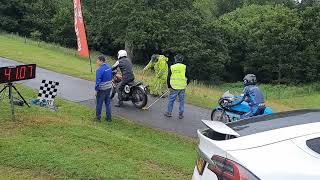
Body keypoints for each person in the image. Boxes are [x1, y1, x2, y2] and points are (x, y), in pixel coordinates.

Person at [164, 54, 190, 119]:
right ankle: (181, 114)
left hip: (173, 87)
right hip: (182, 87)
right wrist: (185, 84)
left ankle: (169, 113)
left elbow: (168, 77)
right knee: (181, 101)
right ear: (182, 60)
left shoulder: (172, 67)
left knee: (171, 100)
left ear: (175, 59)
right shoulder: (185, 67)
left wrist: (169, 86)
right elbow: (188, 77)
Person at [95, 55, 113, 122]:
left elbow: (98, 82)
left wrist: (96, 90)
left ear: (101, 61)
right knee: (107, 103)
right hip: (109, 88)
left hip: (102, 89)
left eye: (97, 60)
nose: (96, 62)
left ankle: (98, 118)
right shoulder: (109, 67)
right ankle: (109, 118)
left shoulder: (99, 70)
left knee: (99, 103)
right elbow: (111, 76)